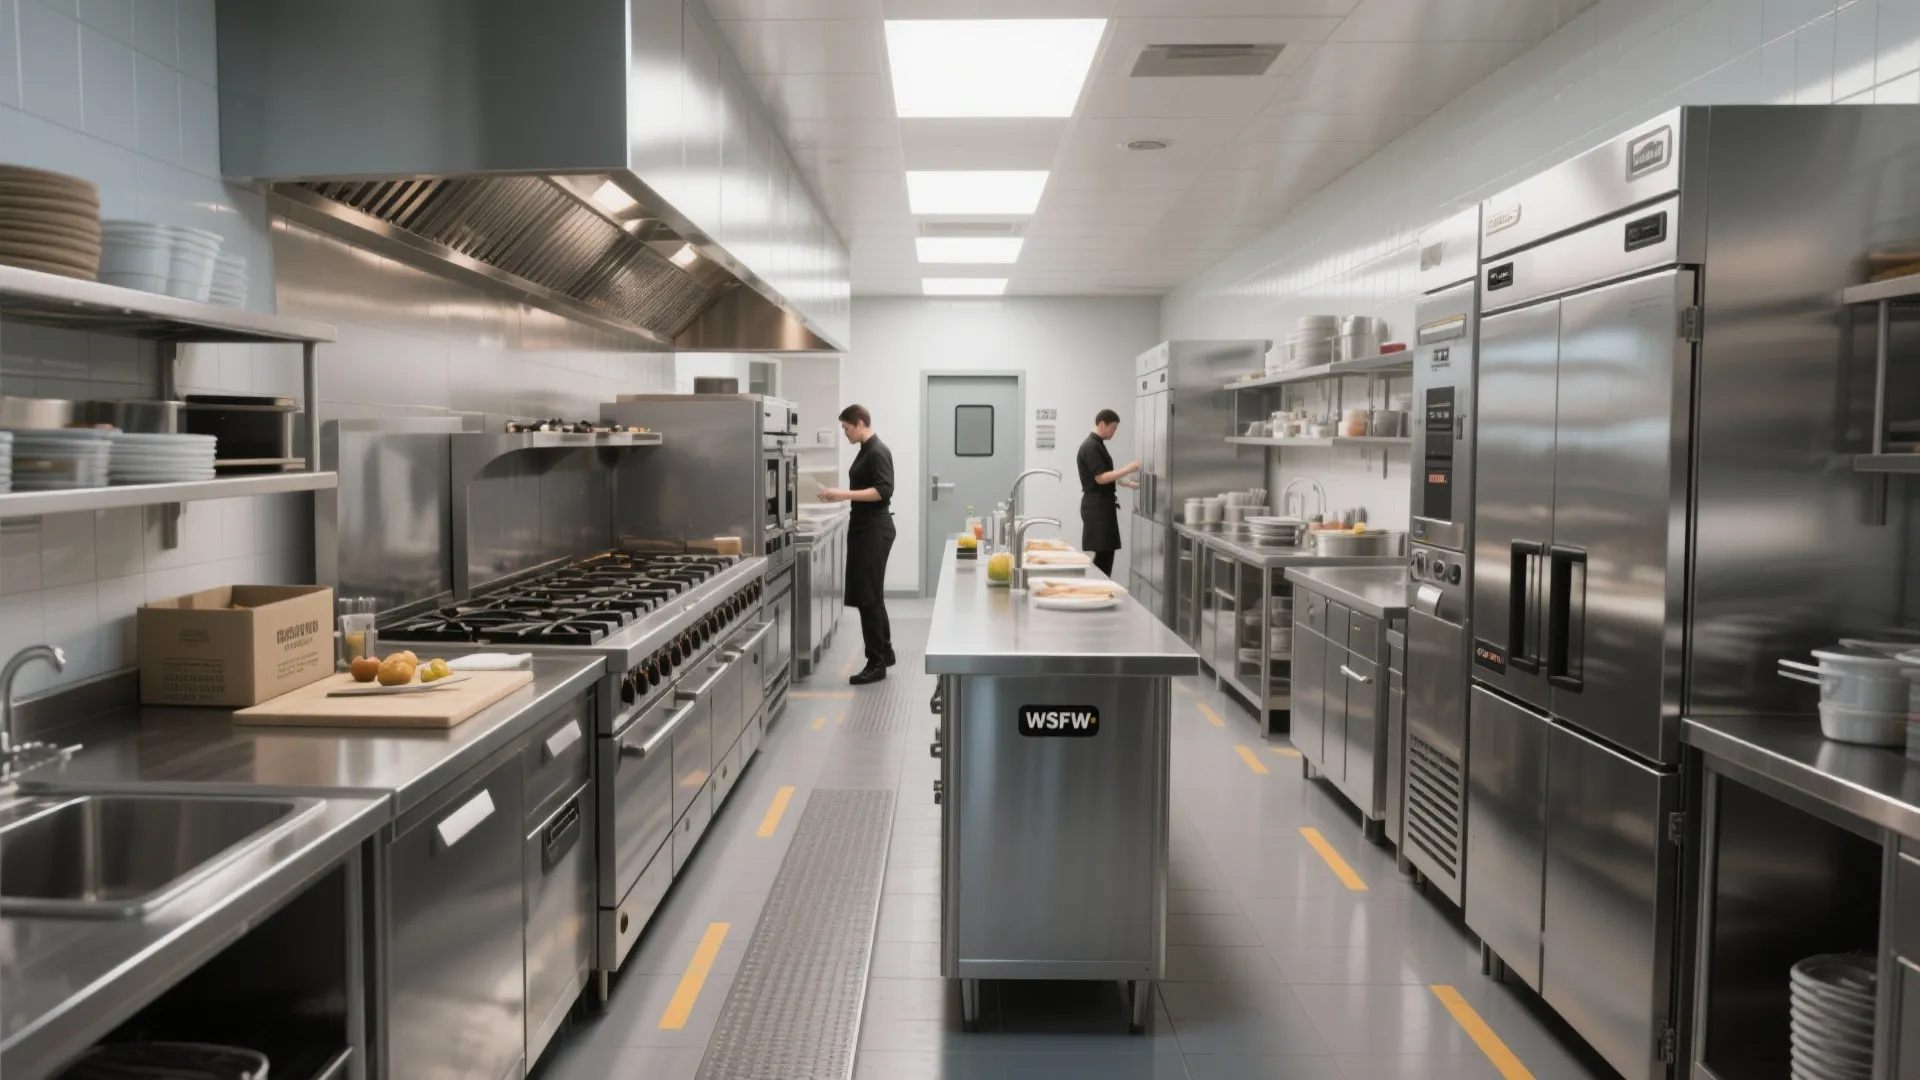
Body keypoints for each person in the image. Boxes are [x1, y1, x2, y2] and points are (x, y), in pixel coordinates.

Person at [819, 404, 896, 685]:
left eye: (847, 428)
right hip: (865, 529)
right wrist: (840, 496)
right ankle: (885, 651)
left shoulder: (877, 451)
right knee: (872, 594)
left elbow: (884, 490)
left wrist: (843, 494)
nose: (845, 433)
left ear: (860, 422)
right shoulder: (866, 451)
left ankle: (876, 663)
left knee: (868, 597)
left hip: (874, 530)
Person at [1076, 408, 1140, 578]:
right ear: (1102, 424)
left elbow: (1106, 473)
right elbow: (1100, 478)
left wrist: (1127, 484)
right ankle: (1096, 592)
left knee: (1105, 553)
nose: (1114, 432)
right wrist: (1128, 469)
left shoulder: (1097, 445)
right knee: (1104, 556)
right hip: (1097, 508)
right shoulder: (1091, 447)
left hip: (1101, 506)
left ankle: (1098, 590)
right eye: (1114, 428)